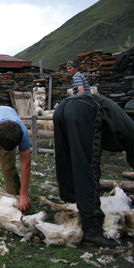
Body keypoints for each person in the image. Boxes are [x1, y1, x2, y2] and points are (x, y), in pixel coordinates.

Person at [52, 63, 134, 247]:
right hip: (86, 108)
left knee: (66, 159)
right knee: (87, 164)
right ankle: (92, 229)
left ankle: (72, 205)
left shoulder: (126, 123)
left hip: (63, 107)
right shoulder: (131, 131)